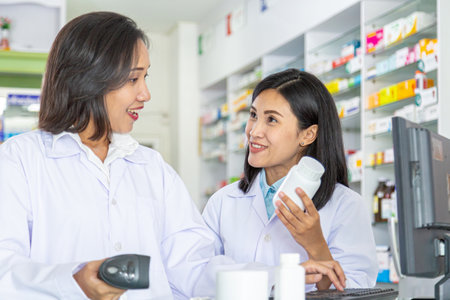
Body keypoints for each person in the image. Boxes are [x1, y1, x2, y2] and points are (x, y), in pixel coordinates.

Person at [0, 12, 347, 300]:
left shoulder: (151, 167)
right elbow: (5, 269)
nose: (146, 94)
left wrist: (277, 276)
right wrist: (72, 283)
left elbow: (193, 264)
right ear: (90, 78)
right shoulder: (21, 161)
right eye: (133, 79)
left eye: (145, 78)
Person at [202, 68, 378, 292]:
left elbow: (354, 293)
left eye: (272, 120)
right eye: (254, 115)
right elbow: (199, 278)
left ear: (308, 135)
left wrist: (316, 244)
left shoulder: (347, 206)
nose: (254, 131)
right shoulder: (223, 202)